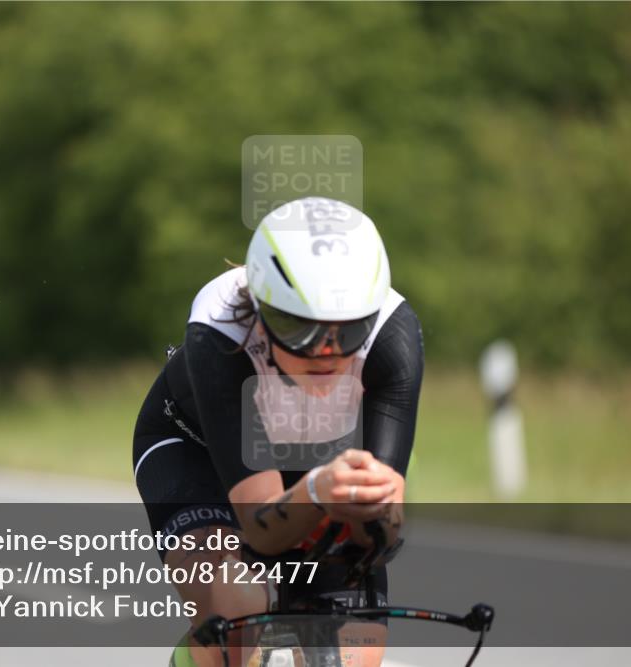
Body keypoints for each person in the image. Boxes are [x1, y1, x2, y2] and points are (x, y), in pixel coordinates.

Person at [132, 197, 423, 667]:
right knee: (235, 613)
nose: (325, 352)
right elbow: (262, 530)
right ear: (264, 312)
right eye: (299, 328)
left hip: (317, 461)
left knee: (354, 655)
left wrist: (374, 519)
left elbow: (380, 531)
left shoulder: (394, 337)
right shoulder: (220, 330)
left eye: (348, 331)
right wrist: (316, 492)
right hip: (198, 450)